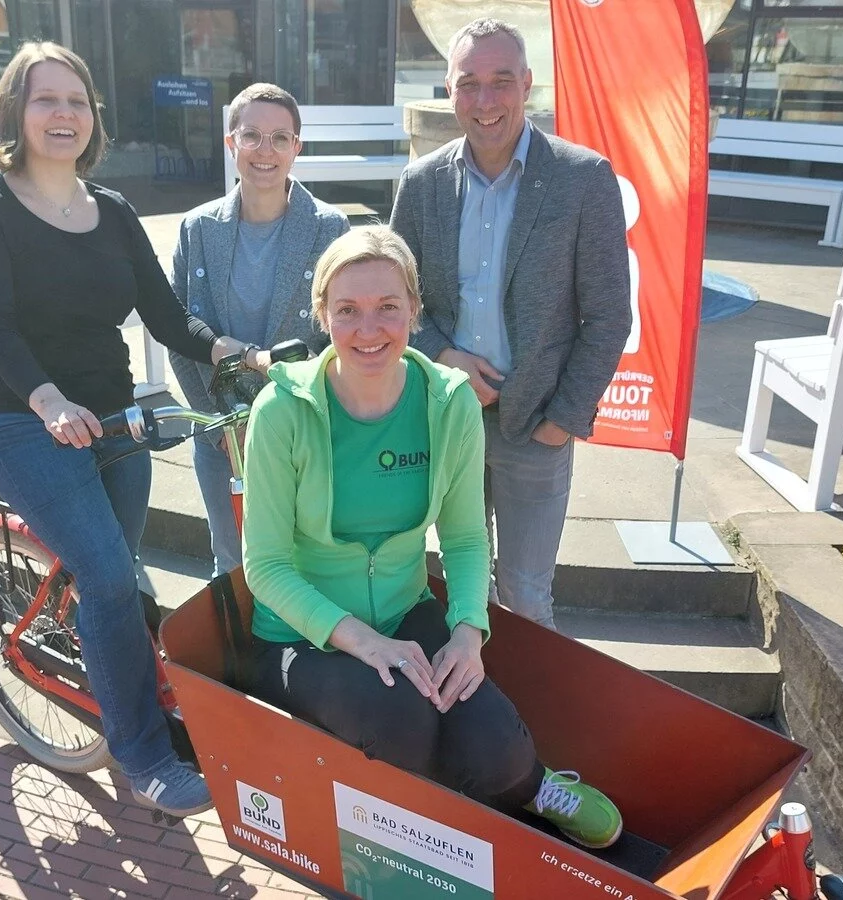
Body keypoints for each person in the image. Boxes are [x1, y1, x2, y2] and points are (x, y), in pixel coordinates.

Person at [0, 42, 268, 817]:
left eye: (76, 101)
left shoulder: (114, 211)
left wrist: (232, 350)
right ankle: (143, 757)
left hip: (116, 420)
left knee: (116, 573)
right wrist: (48, 401)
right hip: (19, 420)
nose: (63, 114)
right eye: (45, 99)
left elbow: (165, 315)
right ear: (15, 113)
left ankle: (105, 664)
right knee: (105, 578)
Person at [241, 226, 623, 850]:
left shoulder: (450, 403)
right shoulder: (281, 410)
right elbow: (266, 566)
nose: (369, 329)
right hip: (303, 635)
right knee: (399, 719)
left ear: (415, 312)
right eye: (347, 310)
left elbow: (466, 537)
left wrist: (469, 633)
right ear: (322, 315)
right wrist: (364, 643)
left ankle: (529, 785)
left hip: (405, 611)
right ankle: (422, 834)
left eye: (388, 307)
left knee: (495, 747)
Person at [389, 18, 633, 630]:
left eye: (501, 81)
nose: (485, 100)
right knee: (462, 589)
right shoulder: (420, 184)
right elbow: (396, 303)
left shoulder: (584, 179)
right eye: (469, 83)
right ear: (449, 89)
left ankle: (529, 696)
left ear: (527, 84)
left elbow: (608, 316)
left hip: (536, 427)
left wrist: (563, 419)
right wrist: (444, 357)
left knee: (526, 598)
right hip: (448, 424)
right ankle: (474, 690)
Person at [170, 82, 350, 576]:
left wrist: (282, 421)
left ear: (297, 147)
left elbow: (340, 340)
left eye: (279, 138)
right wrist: (224, 426)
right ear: (231, 143)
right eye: (251, 136)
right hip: (220, 438)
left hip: (303, 435)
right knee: (233, 564)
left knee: (307, 565)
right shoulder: (197, 229)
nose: (264, 151)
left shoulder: (330, 229)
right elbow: (179, 333)